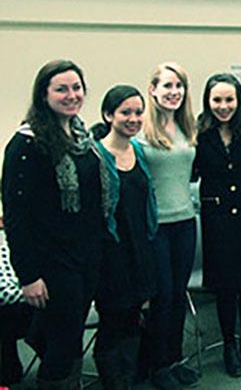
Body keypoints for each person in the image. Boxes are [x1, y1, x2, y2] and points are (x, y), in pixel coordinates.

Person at [2, 60, 106, 389]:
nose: (71, 95)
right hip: (51, 263)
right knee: (60, 342)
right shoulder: (26, 144)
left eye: (76, 88)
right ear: (43, 94)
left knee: (71, 335)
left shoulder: (81, 136)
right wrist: (29, 277)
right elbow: (16, 219)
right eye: (61, 89)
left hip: (85, 258)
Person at [193, 73, 241, 377]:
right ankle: (229, 344)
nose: (223, 106)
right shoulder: (200, 134)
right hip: (218, 223)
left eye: (229, 99)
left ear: (238, 101)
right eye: (217, 100)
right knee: (226, 288)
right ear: (208, 101)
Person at [137, 62, 199, 390]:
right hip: (156, 227)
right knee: (161, 297)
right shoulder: (140, 131)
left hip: (185, 223)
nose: (174, 92)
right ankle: (157, 365)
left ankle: (175, 358)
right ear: (153, 89)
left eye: (179, 86)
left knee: (177, 295)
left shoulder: (188, 128)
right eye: (167, 86)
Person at [93, 85, 158, 390]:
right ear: (109, 115)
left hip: (140, 248)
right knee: (112, 323)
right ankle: (113, 382)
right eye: (125, 112)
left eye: (137, 112)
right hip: (111, 254)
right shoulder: (96, 155)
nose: (133, 118)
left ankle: (128, 379)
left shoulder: (140, 151)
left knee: (134, 318)